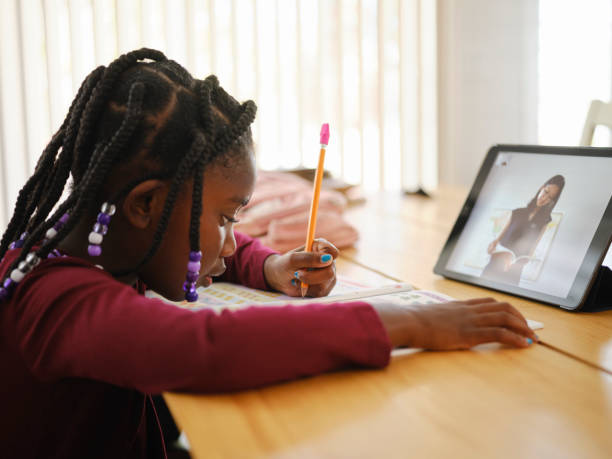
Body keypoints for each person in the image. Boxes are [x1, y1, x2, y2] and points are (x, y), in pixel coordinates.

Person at [0, 49, 537, 458]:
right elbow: (199, 347)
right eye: (225, 218)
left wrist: (270, 265)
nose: (233, 240)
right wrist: (401, 322)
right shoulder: (54, 298)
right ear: (146, 205)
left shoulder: (100, 236)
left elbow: (212, 251)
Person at [483, 175, 566, 284]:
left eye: (550, 197)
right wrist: (492, 246)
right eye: (546, 191)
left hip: (514, 271)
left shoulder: (545, 221)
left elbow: (531, 250)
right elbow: (498, 240)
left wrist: (519, 263)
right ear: (541, 188)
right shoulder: (517, 212)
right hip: (495, 264)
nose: (544, 198)